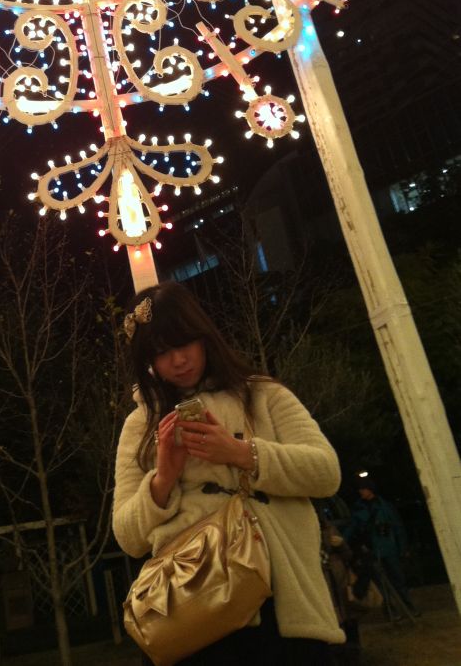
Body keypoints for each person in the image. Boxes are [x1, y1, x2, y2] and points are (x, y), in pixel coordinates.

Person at [113, 282, 345, 665]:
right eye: (161, 352)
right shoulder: (140, 425)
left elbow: (326, 472)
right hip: (193, 608)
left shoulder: (264, 395)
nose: (178, 360)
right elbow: (127, 536)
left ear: (204, 336)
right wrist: (163, 479)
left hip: (282, 601)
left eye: (184, 343)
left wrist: (242, 454)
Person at [343, 474, 417, 615]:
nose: (360, 491)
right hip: (371, 551)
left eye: (363, 488)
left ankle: (408, 607)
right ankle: (391, 611)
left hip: (388, 548)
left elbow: (397, 527)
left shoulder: (385, 507)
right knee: (380, 583)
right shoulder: (359, 509)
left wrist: (403, 547)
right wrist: (342, 539)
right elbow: (352, 528)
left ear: (370, 490)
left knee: (398, 579)